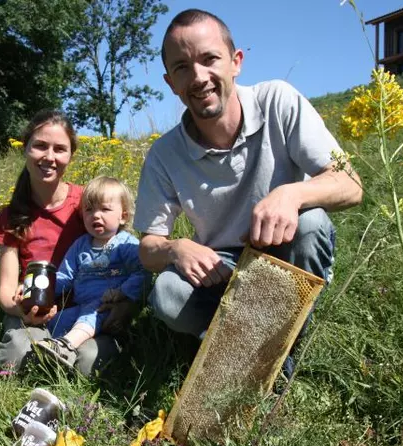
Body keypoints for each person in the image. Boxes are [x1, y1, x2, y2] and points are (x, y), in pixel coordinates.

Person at [133, 9, 363, 372]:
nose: (198, 77)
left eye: (210, 59)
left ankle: (272, 355)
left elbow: (350, 183)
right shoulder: (164, 154)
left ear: (236, 62)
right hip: (220, 269)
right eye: (182, 68)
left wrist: (291, 195)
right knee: (166, 293)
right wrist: (176, 248)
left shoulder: (278, 101)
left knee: (312, 224)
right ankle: (241, 342)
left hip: (281, 254)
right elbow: (148, 248)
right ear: (170, 82)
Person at [0, 110, 131, 376]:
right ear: (25, 149)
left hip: (89, 312)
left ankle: (59, 365)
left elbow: (123, 248)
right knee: (20, 351)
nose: (49, 157)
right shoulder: (12, 216)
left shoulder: (87, 204)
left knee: (88, 360)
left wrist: (125, 302)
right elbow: (5, 292)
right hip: (32, 314)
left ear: (70, 155)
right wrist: (22, 311)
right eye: (40, 146)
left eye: (60, 149)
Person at [34, 176, 149, 370]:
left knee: (91, 313)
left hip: (109, 306)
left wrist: (122, 292)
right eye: (89, 210)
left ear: (123, 216)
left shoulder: (126, 244)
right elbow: (64, 277)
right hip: (82, 306)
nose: (96, 215)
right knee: (56, 321)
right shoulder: (80, 245)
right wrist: (42, 294)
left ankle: (66, 346)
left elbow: (143, 273)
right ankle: (52, 358)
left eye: (105, 209)